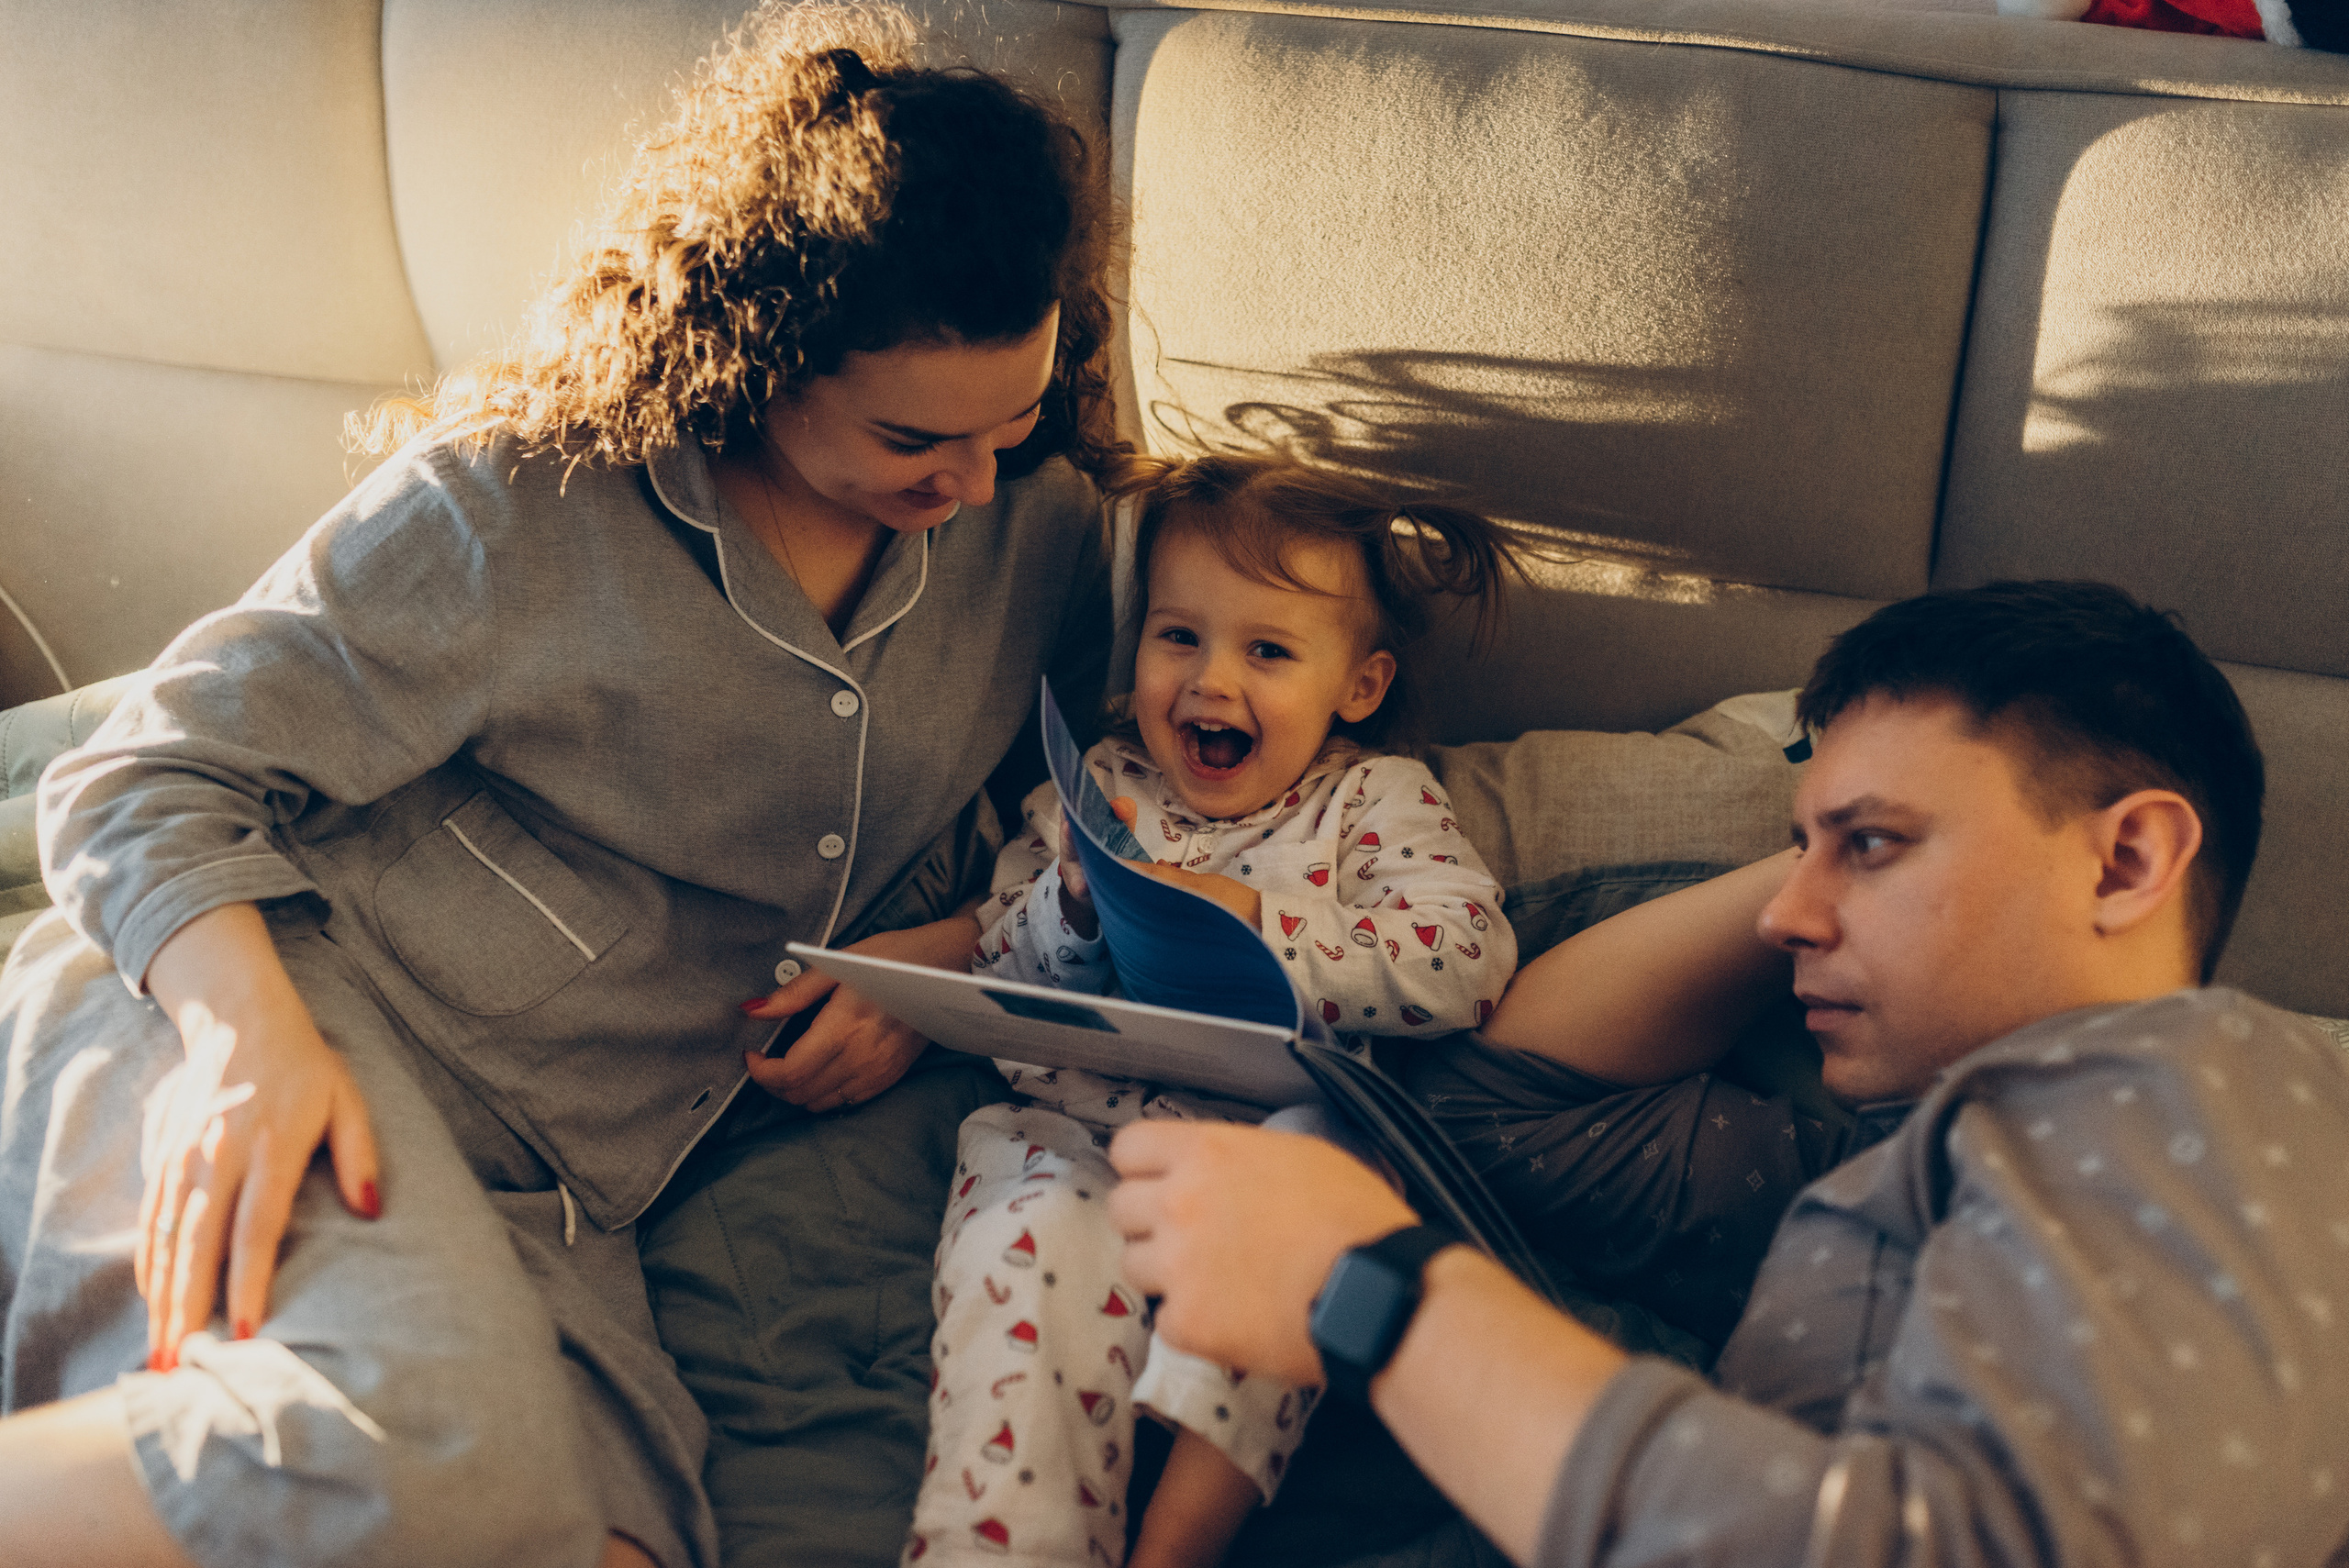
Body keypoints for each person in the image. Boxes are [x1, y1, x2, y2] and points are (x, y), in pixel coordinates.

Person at [0, 9, 1124, 1566]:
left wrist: (926, 977)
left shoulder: (1042, 532)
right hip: (288, 1008)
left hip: (571, 1190)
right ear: (763, 352)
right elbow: (142, 770)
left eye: (1015, 419)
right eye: (914, 436)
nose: (976, 481)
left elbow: (1070, 827)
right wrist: (245, 1047)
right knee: (401, 1475)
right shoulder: (520, 501)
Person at [1107, 582, 2349, 1566]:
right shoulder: (1873, 1175)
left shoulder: (2207, 1086)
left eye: (1874, 842)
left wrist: (1373, 1293)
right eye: (1799, 850)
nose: (1785, 915)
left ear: (2126, 862)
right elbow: (1495, 1111)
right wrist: (1832, 854)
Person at [905, 454, 1521, 1568]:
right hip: (1076, 1133)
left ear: (1359, 684)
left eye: (1268, 651)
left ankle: (1174, 1544)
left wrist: (1261, 917)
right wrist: (1069, 905)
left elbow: (1466, 956)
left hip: (1273, 1141)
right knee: (1020, 1264)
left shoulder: (1369, 799)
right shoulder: (1099, 783)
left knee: (1306, 1231)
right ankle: (1004, 1543)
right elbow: (998, 954)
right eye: (1178, 636)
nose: (1210, 681)